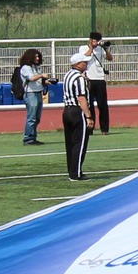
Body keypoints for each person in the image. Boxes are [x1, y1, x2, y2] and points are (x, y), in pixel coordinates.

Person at [60, 53, 93, 181]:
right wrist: (88, 116)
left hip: (67, 110)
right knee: (80, 143)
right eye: (84, 62)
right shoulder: (79, 78)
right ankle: (76, 173)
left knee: (70, 143)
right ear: (78, 64)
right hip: (77, 112)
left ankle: (72, 171)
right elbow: (81, 98)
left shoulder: (68, 75)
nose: (86, 64)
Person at [17, 48, 49, 145]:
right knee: (32, 117)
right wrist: (41, 76)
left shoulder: (36, 67)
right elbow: (31, 78)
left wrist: (46, 82)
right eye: (35, 56)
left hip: (38, 92)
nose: (38, 58)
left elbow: (37, 79)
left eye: (38, 56)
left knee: (37, 117)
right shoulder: (26, 68)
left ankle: (33, 137)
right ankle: (28, 138)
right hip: (30, 94)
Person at [83, 32, 113, 133]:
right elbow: (84, 57)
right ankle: (90, 128)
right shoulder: (83, 48)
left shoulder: (100, 49)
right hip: (89, 79)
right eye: (95, 40)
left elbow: (110, 58)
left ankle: (104, 129)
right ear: (91, 40)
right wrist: (91, 47)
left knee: (103, 105)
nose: (97, 42)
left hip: (100, 79)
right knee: (89, 105)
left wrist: (106, 49)